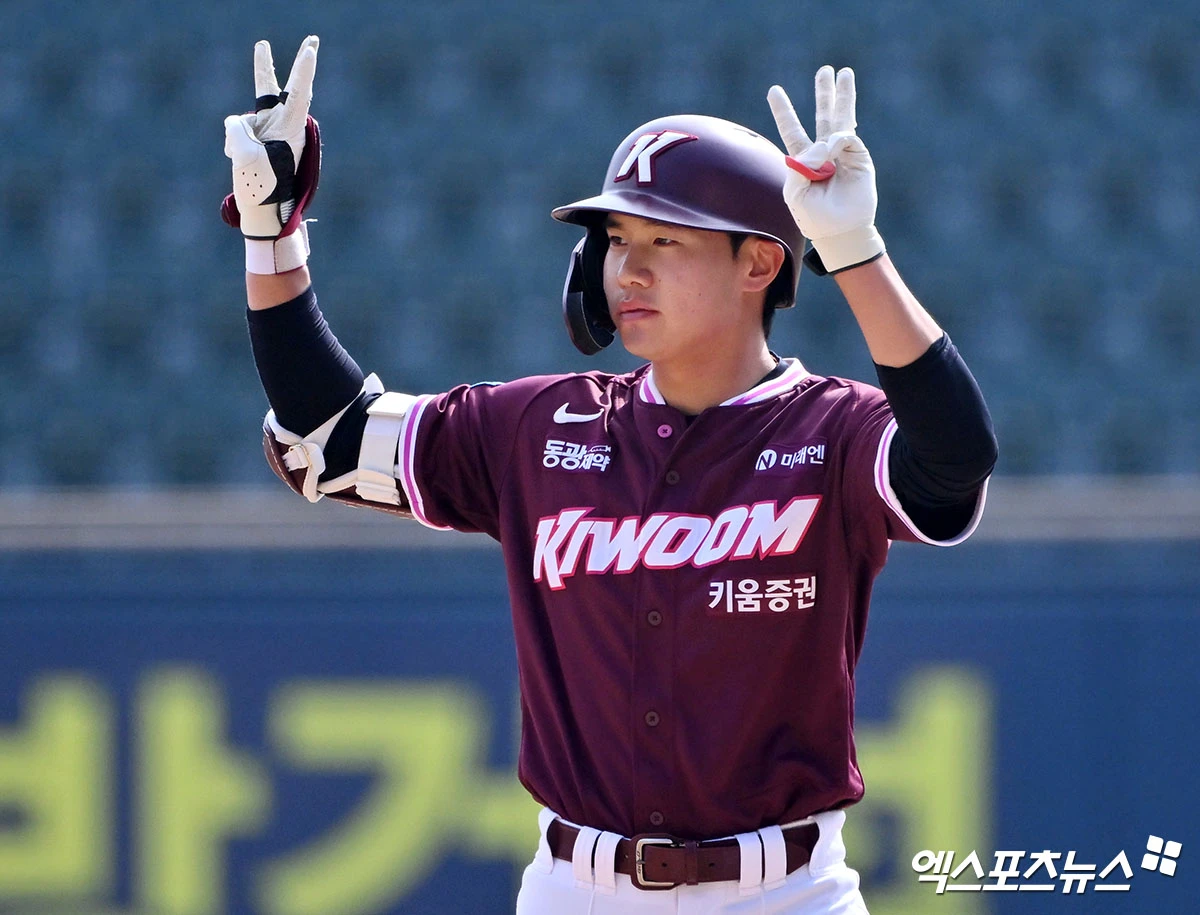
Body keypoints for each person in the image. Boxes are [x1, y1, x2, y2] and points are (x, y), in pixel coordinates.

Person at [223, 35, 997, 915]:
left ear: (758, 262)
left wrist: (855, 250)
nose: (629, 267)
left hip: (786, 893)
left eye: (665, 238)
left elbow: (954, 459)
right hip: (576, 889)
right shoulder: (539, 427)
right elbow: (328, 433)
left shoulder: (833, 430)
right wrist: (270, 234)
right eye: (619, 238)